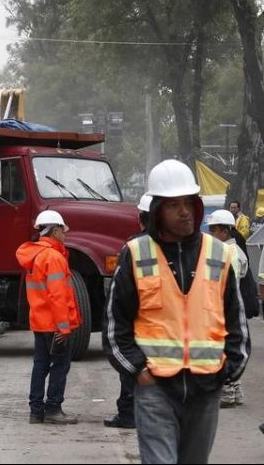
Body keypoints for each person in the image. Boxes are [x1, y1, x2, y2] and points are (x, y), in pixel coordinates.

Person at [103, 159, 250, 464]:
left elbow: (236, 320)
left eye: (188, 203)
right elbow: (116, 326)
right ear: (157, 210)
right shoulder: (136, 254)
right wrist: (138, 370)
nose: (184, 211)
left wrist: (228, 371)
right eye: (174, 205)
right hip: (156, 388)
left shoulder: (218, 254)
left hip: (206, 388)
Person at [16, 210, 81, 425]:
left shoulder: (34, 256)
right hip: (55, 324)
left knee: (40, 365)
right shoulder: (53, 257)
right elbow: (58, 296)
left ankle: (36, 411)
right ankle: (53, 409)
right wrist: (64, 328)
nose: (65, 235)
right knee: (60, 365)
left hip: (40, 322)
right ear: (55, 230)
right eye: (63, 231)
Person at [103, 194, 152, 430]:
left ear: (141, 218)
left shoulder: (133, 247)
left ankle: (127, 414)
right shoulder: (185, 248)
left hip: (136, 325)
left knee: (131, 371)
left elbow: (119, 295)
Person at [207, 209, 249, 408]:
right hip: (230, 305)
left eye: (214, 230)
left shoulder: (228, 253)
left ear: (224, 231)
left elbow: (222, 282)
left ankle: (228, 392)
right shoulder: (236, 250)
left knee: (224, 348)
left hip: (224, 306)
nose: (211, 234)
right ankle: (236, 391)